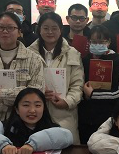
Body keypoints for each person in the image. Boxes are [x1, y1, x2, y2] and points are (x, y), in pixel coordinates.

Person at [0, 88, 73, 154]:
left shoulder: (52, 128)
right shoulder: (5, 126)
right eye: (26, 105)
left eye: (37, 105)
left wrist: (32, 145)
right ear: (17, 109)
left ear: (44, 108)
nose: (32, 110)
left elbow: (67, 136)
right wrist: (3, 146)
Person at [29, 12, 84, 143]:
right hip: (34, 112)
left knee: (67, 150)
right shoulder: (29, 53)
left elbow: (77, 85)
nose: (50, 32)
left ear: (60, 30)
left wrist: (67, 101)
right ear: (39, 30)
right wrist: (38, 92)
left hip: (63, 114)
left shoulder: (72, 53)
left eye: (54, 28)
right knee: (36, 148)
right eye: (46, 28)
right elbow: (24, 82)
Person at [78, 25, 119, 144]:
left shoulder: (117, 59)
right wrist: (84, 94)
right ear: (89, 42)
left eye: (101, 42)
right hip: (86, 117)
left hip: (107, 116)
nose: (97, 45)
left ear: (108, 42)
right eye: (94, 42)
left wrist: (93, 94)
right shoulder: (85, 60)